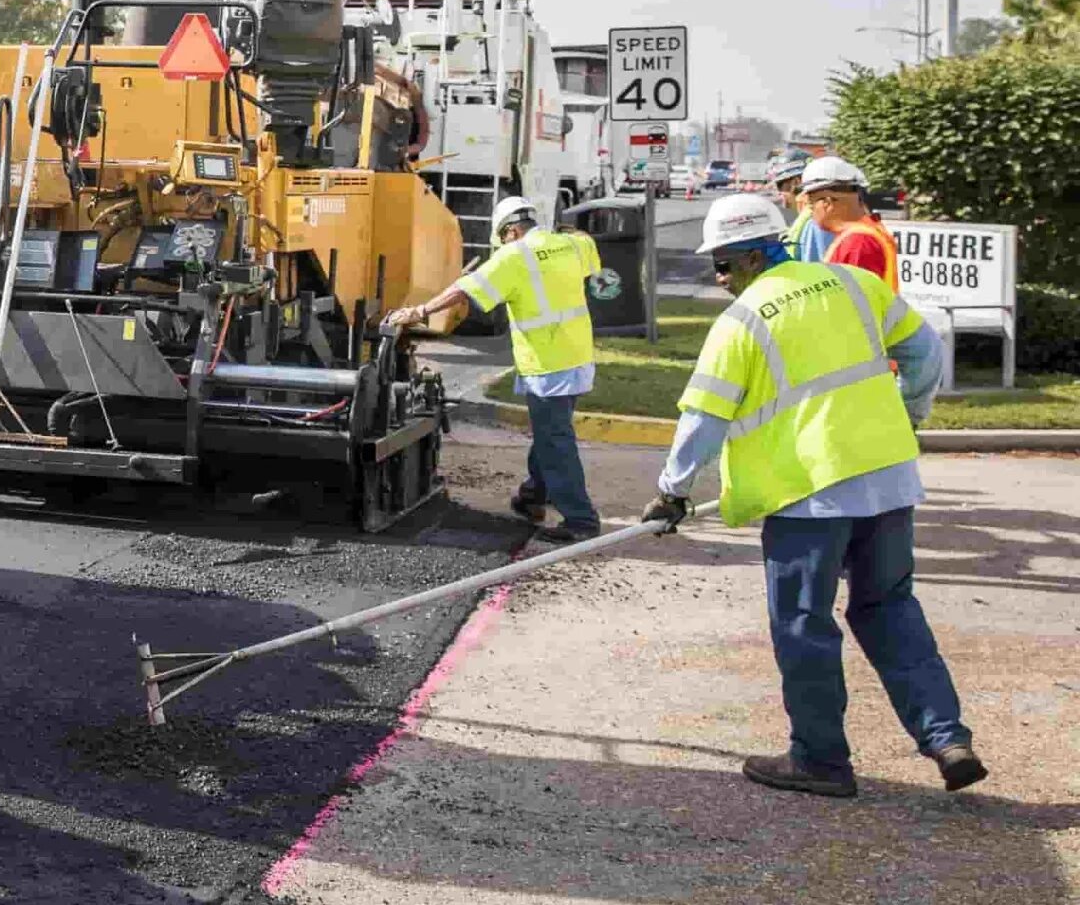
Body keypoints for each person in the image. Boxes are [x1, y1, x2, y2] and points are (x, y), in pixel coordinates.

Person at [645, 193, 981, 799]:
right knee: (890, 608)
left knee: (804, 623)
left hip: (809, 499)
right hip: (887, 479)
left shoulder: (743, 321)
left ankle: (820, 761)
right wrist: (910, 413)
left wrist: (671, 491)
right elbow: (925, 351)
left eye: (721, 265)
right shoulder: (855, 286)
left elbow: (702, 418)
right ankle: (946, 737)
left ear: (749, 259)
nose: (719, 279)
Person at [389, 194, 611, 542]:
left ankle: (581, 520)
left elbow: (464, 289)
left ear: (509, 232)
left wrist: (419, 312)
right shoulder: (570, 243)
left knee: (555, 440)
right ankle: (533, 496)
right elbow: (588, 245)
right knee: (551, 433)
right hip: (577, 358)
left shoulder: (514, 256)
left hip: (546, 364)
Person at [799, 154, 900, 289]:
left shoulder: (858, 242)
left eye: (811, 205)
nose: (810, 212)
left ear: (827, 203)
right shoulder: (864, 233)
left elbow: (851, 303)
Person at [768, 152, 829, 259]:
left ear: (796, 182)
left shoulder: (814, 222)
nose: (778, 193)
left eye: (779, 186)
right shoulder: (810, 217)